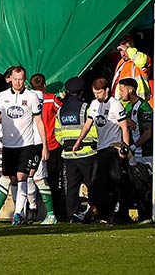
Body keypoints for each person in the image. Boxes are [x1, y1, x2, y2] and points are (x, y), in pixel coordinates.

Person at [0, 66, 53, 224]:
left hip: (27, 145)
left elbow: (39, 122)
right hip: (8, 145)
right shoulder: (2, 96)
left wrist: (44, 146)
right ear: (10, 78)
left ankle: (18, 213)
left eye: (21, 79)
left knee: (21, 177)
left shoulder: (31, 97)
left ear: (24, 79)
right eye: (15, 79)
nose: (18, 82)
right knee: (8, 178)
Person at [71, 78, 130, 224]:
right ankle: (100, 213)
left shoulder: (116, 105)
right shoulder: (94, 104)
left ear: (107, 90)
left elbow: (124, 127)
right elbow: (88, 124)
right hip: (101, 148)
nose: (97, 95)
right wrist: (78, 141)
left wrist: (125, 148)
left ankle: (116, 213)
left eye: (99, 93)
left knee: (114, 181)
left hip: (113, 149)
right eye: (94, 93)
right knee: (97, 183)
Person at [55, 77, 98, 222]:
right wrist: (91, 143)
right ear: (81, 92)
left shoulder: (61, 110)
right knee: (92, 185)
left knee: (72, 187)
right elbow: (93, 130)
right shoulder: (87, 108)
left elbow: (58, 133)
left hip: (68, 155)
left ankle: (71, 215)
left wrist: (66, 144)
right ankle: (93, 213)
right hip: (86, 153)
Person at [117, 78, 153, 221]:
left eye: (122, 90)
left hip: (145, 155)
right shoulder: (127, 107)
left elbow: (148, 132)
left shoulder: (144, 107)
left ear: (130, 90)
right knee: (132, 184)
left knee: (145, 186)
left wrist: (133, 146)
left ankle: (149, 215)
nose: (120, 93)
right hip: (133, 155)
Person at [31, 73, 65, 220]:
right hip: (51, 145)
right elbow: (63, 112)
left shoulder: (27, 98)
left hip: (33, 145)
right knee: (51, 180)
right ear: (44, 85)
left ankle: (35, 212)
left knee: (32, 180)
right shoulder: (51, 99)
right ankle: (54, 213)